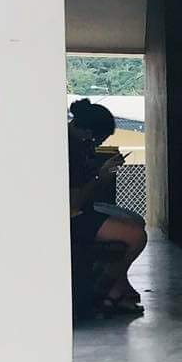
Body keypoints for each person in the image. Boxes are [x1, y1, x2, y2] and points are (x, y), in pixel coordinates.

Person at [67, 103, 145, 315]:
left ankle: (118, 285)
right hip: (73, 217)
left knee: (135, 221)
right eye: (99, 140)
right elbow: (73, 203)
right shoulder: (70, 150)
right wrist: (101, 176)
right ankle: (108, 289)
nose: (98, 144)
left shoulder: (76, 144)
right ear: (88, 132)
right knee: (137, 236)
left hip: (83, 209)